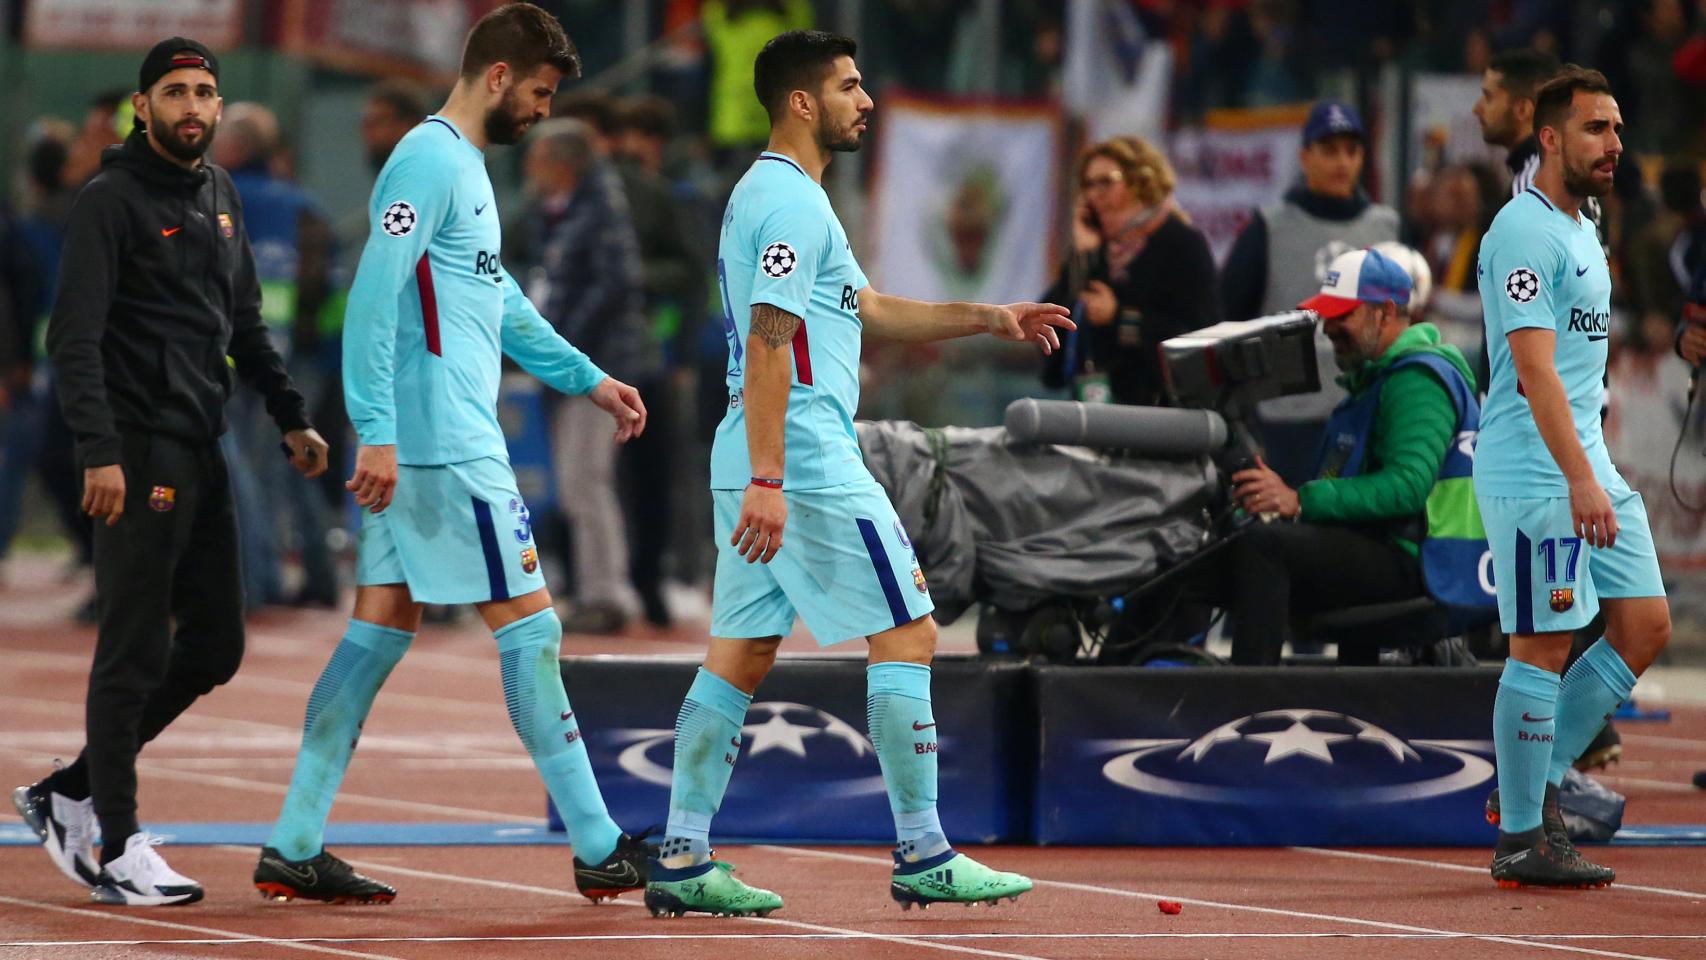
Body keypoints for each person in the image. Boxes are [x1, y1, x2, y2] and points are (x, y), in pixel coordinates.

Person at [644, 29, 1070, 918]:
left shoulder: (779, 196)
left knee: (741, 654)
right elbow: (771, 340)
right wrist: (772, 478)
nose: (866, 99)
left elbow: (865, 306)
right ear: (803, 102)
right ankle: (924, 852)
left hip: (753, 446)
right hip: (799, 453)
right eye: (849, 85)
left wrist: (988, 316)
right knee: (910, 632)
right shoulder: (792, 205)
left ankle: (681, 855)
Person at [253, 3, 653, 906]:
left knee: (376, 636)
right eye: (540, 92)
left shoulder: (465, 167)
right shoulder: (429, 160)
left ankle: (294, 842)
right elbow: (373, 293)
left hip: (433, 441)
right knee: (533, 632)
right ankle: (599, 845)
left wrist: (588, 378)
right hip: (441, 447)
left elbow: (499, 299)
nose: (545, 111)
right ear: (498, 76)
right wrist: (377, 431)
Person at [12, 37, 328, 907]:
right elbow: (73, 338)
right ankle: (118, 846)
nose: (192, 106)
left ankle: (73, 789)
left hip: (202, 445)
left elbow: (243, 324)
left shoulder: (220, 192)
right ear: (143, 106)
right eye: (175, 92)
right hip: (136, 449)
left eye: (203, 92)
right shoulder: (108, 200)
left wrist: (290, 414)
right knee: (133, 648)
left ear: (219, 107)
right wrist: (100, 451)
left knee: (218, 645)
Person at [1474, 66, 1670, 889]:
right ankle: (1522, 835)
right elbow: (1534, 373)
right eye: (1596, 128)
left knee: (1645, 625)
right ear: (1550, 138)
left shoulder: (1585, 224)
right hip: (1537, 471)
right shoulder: (1523, 230)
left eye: (1617, 128)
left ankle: (1534, 785)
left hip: (1586, 463)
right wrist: (1581, 479)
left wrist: (1594, 471)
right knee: (1543, 645)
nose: (1614, 143)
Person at [1223, 247, 1479, 665]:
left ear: (1386, 313)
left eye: (1343, 315)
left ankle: (1247, 695)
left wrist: (1300, 500)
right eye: (1327, 315)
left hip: (1423, 561)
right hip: (1385, 545)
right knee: (1236, 545)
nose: (1329, 328)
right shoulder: (1372, 382)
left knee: (1266, 547)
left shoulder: (1417, 380)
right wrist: (1280, 502)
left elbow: (1407, 488)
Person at [1219, 99, 1399, 486]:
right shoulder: (1268, 228)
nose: (1343, 162)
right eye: (1329, 150)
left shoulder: (1386, 228)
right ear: (1305, 156)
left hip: (1371, 408)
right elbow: (1229, 322)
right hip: (1288, 419)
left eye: (1352, 151)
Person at [515, 117, 650, 634]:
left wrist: (565, 342)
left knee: (585, 483)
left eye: (537, 159)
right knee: (578, 485)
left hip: (597, 366)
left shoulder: (600, 211)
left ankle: (608, 595)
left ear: (562, 163)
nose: (529, 169)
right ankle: (596, 590)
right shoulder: (561, 212)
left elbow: (617, 283)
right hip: (575, 367)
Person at [1040, 135, 1218, 406]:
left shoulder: (1182, 244)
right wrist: (1083, 258)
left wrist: (1119, 318)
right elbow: (1054, 334)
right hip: (1097, 413)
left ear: (1140, 182)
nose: (1093, 194)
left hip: (1164, 414)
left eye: (1106, 182)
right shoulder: (1096, 249)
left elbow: (1200, 338)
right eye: (1088, 184)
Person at [1474, 48, 1562, 200]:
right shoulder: (1566, 171)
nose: (1477, 109)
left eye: (1488, 97)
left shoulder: (1532, 185)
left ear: (1522, 110)